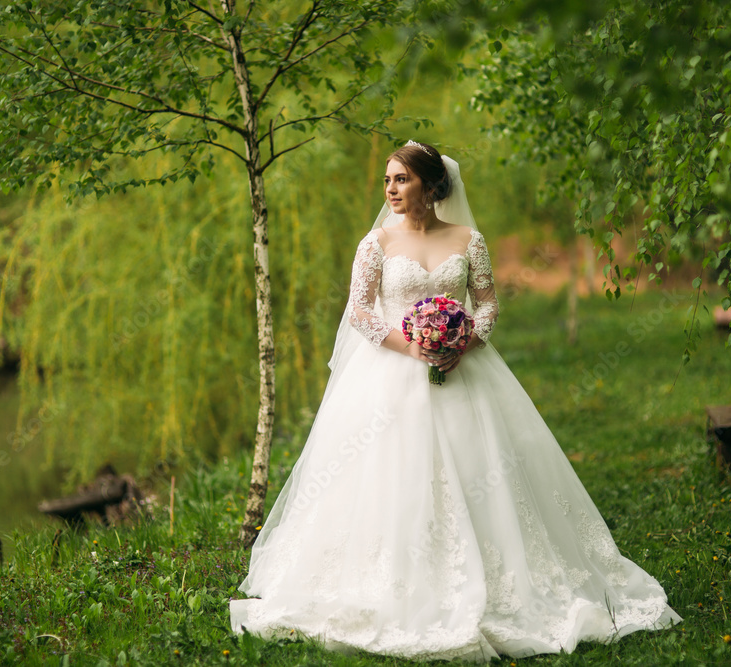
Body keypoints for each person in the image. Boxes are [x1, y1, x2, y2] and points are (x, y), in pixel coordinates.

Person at [229, 141, 681, 662]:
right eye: (387, 181)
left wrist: (463, 341)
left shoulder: (469, 240)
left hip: (466, 373)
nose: (391, 190)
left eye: (401, 180)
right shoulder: (374, 244)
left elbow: (487, 305)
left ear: (430, 185)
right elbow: (360, 312)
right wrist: (415, 345)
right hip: (390, 377)